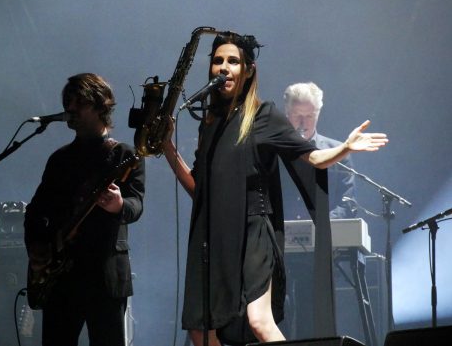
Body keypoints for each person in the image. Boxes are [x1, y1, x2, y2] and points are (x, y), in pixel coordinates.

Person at [162, 32, 388, 346]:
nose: (223, 67)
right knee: (201, 330)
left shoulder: (263, 115)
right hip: (216, 234)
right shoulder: (209, 123)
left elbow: (314, 158)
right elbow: (200, 190)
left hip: (254, 229)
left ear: (248, 70)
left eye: (233, 61)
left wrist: (345, 148)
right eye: (217, 61)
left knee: (259, 320)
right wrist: (167, 147)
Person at [24, 73, 145, 346]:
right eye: (68, 102)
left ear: (101, 105)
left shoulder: (124, 154)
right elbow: (35, 211)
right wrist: (36, 247)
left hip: (105, 275)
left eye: (79, 102)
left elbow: (137, 204)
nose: (70, 108)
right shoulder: (60, 160)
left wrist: (119, 205)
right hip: (62, 276)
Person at [283, 82, 357, 219]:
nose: (303, 122)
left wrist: (320, 225)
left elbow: (347, 204)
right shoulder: (271, 151)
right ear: (287, 114)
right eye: (297, 115)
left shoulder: (338, 152)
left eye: (309, 116)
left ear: (318, 114)